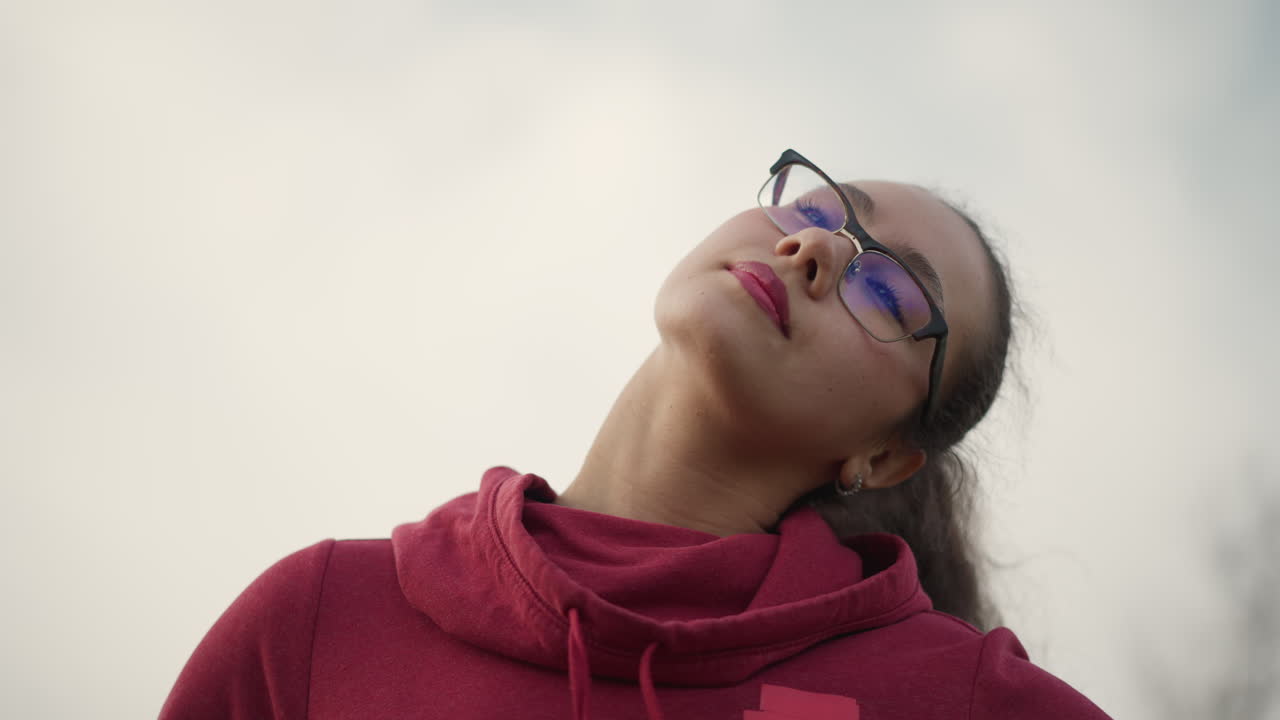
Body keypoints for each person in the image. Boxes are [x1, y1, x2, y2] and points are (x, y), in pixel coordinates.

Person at [160, 149, 1112, 719]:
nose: (817, 248)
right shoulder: (323, 620)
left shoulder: (955, 699)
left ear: (884, 456)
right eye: (817, 209)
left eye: (892, 289)